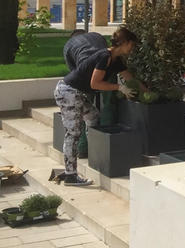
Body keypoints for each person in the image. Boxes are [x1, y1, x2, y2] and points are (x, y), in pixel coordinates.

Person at [52, 26, 145, 186]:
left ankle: (93, 153)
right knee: (73, 132)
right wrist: (119, 87)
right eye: (132, 45)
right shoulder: (104, 56)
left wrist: (147, 91)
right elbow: (95, 83)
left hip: (77, 93)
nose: (133, 48)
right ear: (125, 43)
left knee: (93, 117)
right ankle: (70, 175)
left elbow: (130, 78)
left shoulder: (116, 61)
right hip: (68, 92)